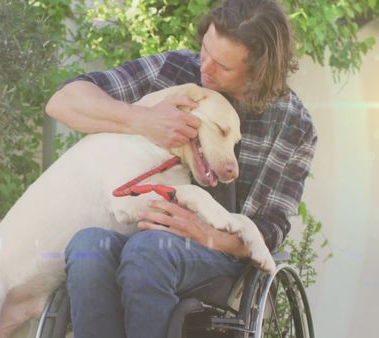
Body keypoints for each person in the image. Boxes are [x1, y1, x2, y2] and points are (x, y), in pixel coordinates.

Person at [44, 0, 318, 337]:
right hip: (140, 233)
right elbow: (64, 101)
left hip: (218, 258)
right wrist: (143, 119)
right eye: (205, 50)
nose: (204, 69)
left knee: (148, 252)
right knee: (87, 246)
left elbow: (271, 229)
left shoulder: (293, 125)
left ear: (257, 71)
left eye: (222, 66)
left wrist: (208, 234)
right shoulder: (174, 71)